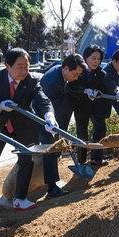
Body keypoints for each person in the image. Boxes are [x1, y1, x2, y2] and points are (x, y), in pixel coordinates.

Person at [0, 48, 56, 217]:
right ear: (8, 66)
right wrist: (0, 105)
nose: (24, 71)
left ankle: (20, 199)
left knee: (26, 160)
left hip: (23, 126)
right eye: (19, 67)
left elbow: (43, 100)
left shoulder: (32, 80)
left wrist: (49, 116)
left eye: (26, 66)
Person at [34, 53, 87, 198]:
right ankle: (52, 187)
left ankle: (43, 181)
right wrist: (62, 130)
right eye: (75, 74)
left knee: (50, 146)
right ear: (66, 68)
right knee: (50, 147)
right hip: (40, 115)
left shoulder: (60, 70)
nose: (76, 78)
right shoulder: (54, 83)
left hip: (46, 113)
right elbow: (54, 109)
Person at [91, 49, 119, 165]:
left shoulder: (115, 70)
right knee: (100, 130)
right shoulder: (108, 72)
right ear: (114, 61)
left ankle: (98, 154)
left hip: (102, 106)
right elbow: (113, 96)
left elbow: (115, 95)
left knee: (99, 130)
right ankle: (96, 159)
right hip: (95, 106)